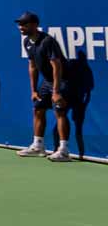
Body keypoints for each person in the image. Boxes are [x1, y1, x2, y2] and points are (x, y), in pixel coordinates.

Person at [15, 12, 75, 162]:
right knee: (38, 109)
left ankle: (64, 151)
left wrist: (56, 91)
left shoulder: (47, 41)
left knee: (59, 112)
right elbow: (33, 66)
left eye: (25, 24)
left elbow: (57, 66)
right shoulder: (27, 42)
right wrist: (34, 90)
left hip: (61, 80)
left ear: (35, 25)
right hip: (46, 81)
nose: (21, 27)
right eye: (20, 24)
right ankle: (38, 146)